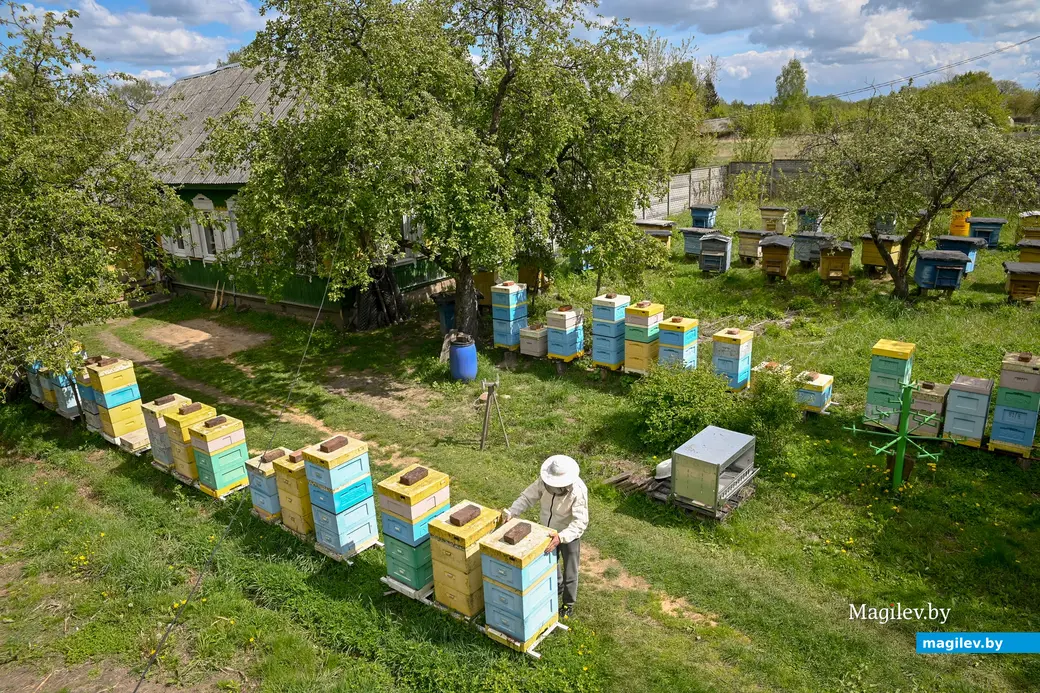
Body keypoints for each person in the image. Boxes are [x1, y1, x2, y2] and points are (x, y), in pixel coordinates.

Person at [502, 455, 589, 616]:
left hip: (569, 534)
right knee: (549, 563)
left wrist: (561, 537)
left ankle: (568, 604)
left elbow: (580, 522)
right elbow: (527, 497)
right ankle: (556, 587)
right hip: (547, 531)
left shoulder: (578, 491)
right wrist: (513, 512)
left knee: (571, 570)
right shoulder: (543, 481)